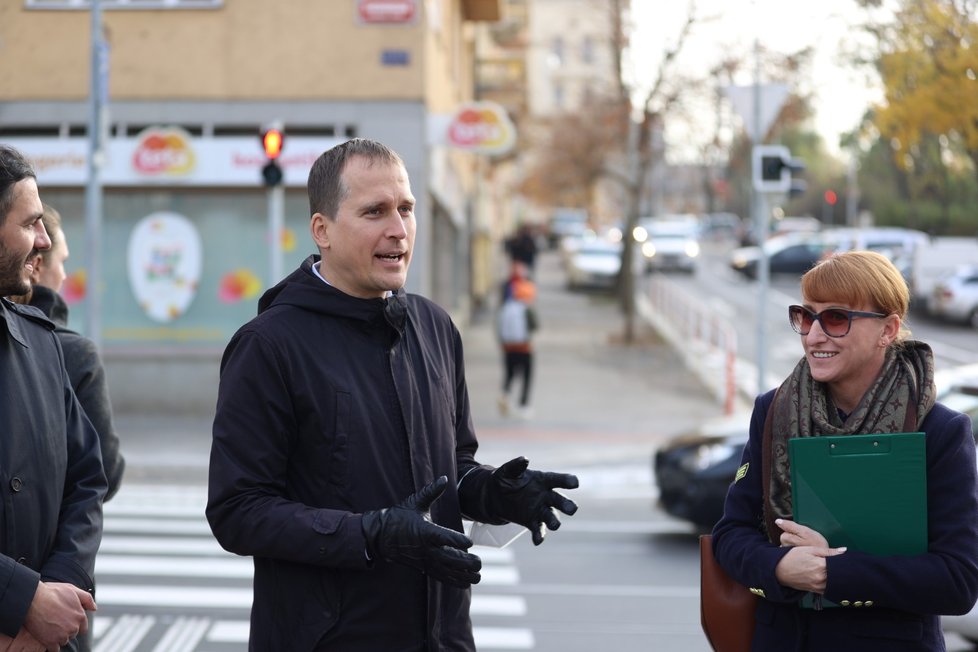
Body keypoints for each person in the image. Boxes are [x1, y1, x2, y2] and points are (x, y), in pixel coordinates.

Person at [206, 138, 579, 651]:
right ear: (323, 231)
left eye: (405, 209)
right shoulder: (268, 346)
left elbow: (453, 468)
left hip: (442, 636)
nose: (398, 230)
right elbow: (238, 511)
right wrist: (370, 535)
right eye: (374, 211)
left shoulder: (435, 327)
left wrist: (493, 493)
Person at [712, 250, 978, 651]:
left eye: (836, 318)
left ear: (887, 330)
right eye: (806, 316)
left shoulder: (940, 431)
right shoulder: (772, 410)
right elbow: (731, 534)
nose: (814, 335)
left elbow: (958, 580)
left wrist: (831, 572)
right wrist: (780, 566)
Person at [0, 144, 106, 651]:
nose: (43, 240)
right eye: (30, 224)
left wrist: (57, 592)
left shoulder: (41, 343)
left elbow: (87, 478)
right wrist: (21, 602)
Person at [9, 204, 125, 501]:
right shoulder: (73, 353)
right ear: (36, 265)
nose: (64, 275)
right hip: (50, 541)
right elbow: (106, 472)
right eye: (62, 262)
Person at [497, 263, 538, 419]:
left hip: (508, 347)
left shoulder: (506, 308)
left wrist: (502, 343)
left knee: (509, 374)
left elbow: (499, 328)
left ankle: (504, 394)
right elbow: (535, 326)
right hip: (524, 347)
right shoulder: (526, 308)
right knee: (527, 376)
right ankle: (523, 405)